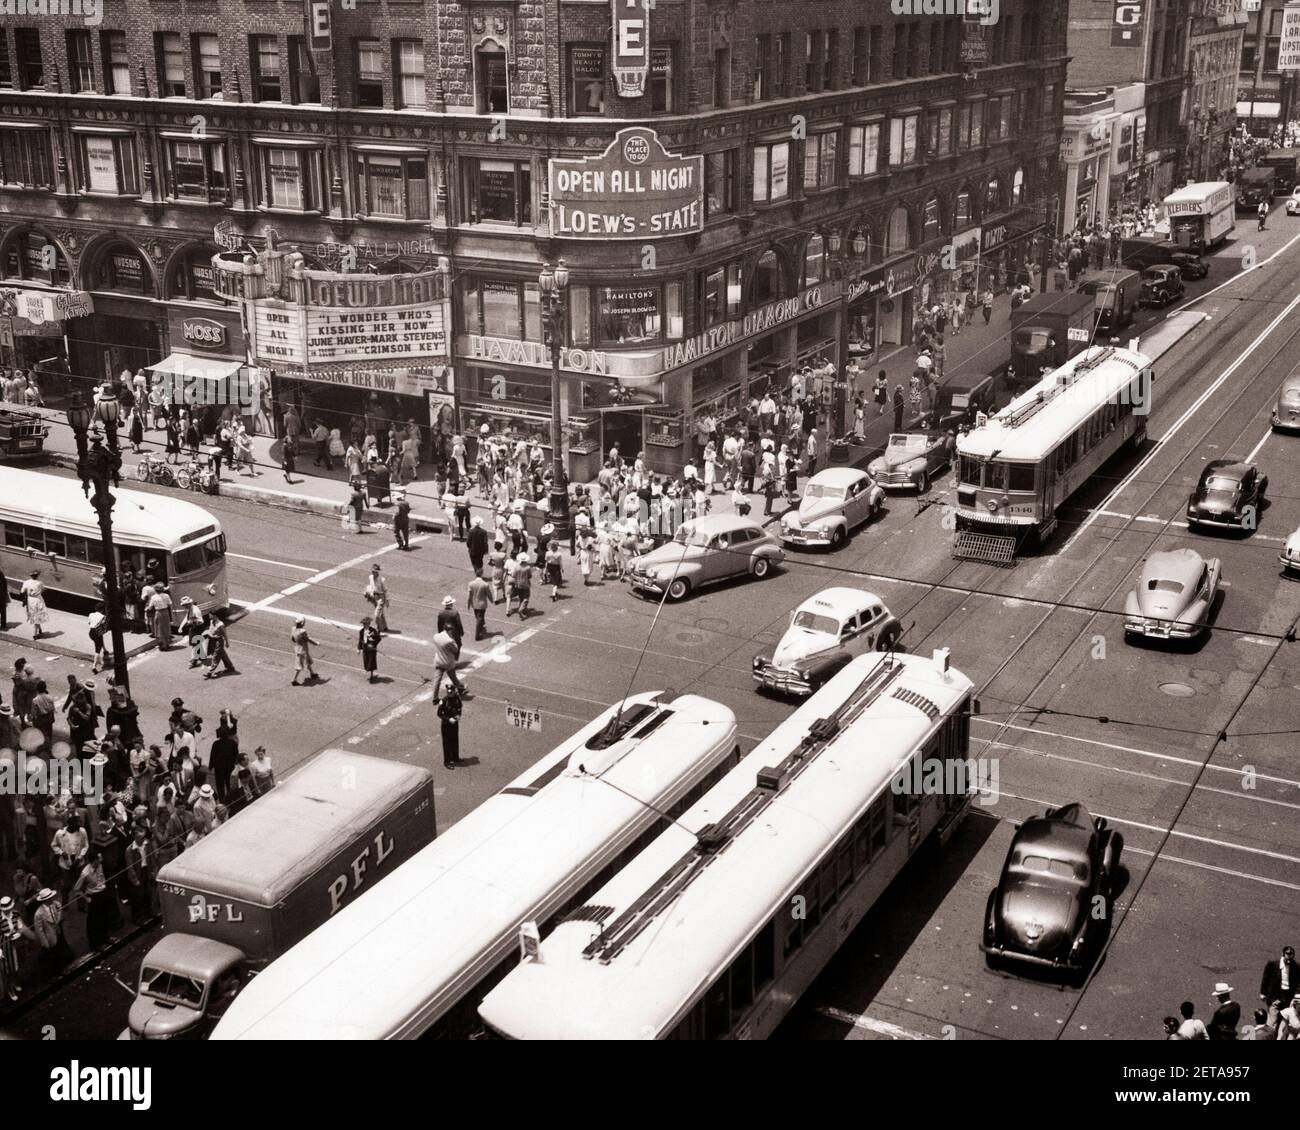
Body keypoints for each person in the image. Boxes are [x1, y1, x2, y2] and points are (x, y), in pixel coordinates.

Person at [0, 894, 35, 1001]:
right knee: (8, 969)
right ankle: (10, 989)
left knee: (17, 966)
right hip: (5, 945)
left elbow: (20, 926)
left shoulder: (15, 913)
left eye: (9, 908)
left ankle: (15, 983)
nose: (8, 911)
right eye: (6, 909)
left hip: (17, 943)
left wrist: (19, 933)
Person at [431, 627, 466, 701]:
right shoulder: (449, 641)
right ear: (450, 630)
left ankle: (435, 698)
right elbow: (456, 650)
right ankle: (461, 689)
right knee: (453, 677)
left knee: (437, 680)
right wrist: (453, 640)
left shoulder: (436, 636)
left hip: (438, 661)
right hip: (448, 662)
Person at [438, 685, 464, 769]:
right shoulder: (443, 700)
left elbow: (460, 707)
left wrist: (458, 716)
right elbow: (439, 714)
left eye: (451, 692)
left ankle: (455, 758)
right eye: (448, 692)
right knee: (447, 743)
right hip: (446, 724)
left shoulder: (457, 698)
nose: (449, 694)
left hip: (455, 723)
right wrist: (448, 719)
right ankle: (447, 761)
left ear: (454, 691)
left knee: (455, 740)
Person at [290, 616, 319, 686]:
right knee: (299, 666)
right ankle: (294, 679)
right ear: (302, 623)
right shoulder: (303, 631)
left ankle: (312, 673)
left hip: (298, 648)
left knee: (308, 661)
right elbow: (308, 639)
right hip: (303, 650)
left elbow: (292, 639)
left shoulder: (293, 629)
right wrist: (316, 643)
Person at [19, 570, 48, 639]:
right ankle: (36, 632)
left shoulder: (26, 582)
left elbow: (22, 591)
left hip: (30, 600)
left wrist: (27, 590)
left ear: (31, 576)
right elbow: (44, 589)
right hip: (38, 600)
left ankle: (37, 631)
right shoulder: (40, 583)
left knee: (34, 616)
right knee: (37, 615)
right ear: (37, 576)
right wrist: (39, 591)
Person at [467, 570, 492, 642]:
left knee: (477, 616)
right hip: (482, 604)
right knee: (480, 618)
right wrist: (491, 600)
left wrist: (468, 604)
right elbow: (488, 594)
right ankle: (477, 635)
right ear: (481, 574)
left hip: (474, 603)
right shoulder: (485, 584)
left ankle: (481, 626)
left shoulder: (471, 584)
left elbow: (469, 596)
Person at [148, 583, 174, 650]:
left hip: (158, 612)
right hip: (165, 612)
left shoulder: (153, 597)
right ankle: (167, 644)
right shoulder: (166, 595)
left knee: (159, 628)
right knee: (166, 627)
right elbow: (170, 604)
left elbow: (150, 607)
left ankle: (162, 644)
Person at [365, 565, 390, 633]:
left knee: (376, 615)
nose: (373, 572)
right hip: (374, 597)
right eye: (372, 571)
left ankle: (379, 630)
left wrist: (387, 600)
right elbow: (371, 586)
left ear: (378, 572)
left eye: (375, 571)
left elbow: (385, 590)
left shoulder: (382, 579)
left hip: (381, 598)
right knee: (380, 613)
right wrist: (369, 593)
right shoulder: (370, 577)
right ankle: (384, 627)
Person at [507, 552, 532, 618]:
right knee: (526, 597)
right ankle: (521, 609)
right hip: (525, 584)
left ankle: (522, 609)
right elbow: (529, 576)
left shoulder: (517, 567)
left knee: (521, 597)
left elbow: (513, 575)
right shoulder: (527, 567)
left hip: (518, 584)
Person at [357, 616, 381, 683]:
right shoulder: (361, 631)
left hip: (372, 649)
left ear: (369, 624)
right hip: (365, 648)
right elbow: (360, 640)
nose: (365, 625)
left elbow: (378, 639)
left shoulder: (373, 631)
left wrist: (373, 644)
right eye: (364, 624)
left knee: (371, 661)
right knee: (366, 660)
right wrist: (359, 648)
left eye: (366, 624)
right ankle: (368, 670)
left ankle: (371, 675)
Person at [88, 605, 109, 674]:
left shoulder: (91, 614)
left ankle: (105, 650)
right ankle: (94, 666)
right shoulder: (103, 617)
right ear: (102, 610)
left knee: (100, 638)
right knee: (97, 650)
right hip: (97, 633)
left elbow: (89, 623)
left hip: (91, 632)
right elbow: (105, 626)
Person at [0, 564, 8, 631]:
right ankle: (3, 624)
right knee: (3, 610)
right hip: (2, 597)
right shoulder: (4, 580)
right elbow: (5, 589)